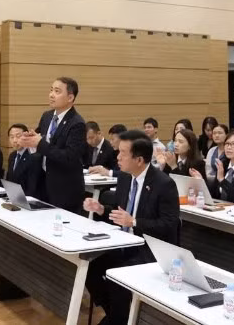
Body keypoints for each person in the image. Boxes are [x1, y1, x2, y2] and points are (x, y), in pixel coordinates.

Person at [83, 130, 179, 325]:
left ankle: (117, 319)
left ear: (139, 159)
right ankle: (118, 316)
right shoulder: (126, 177)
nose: (117, 157)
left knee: (118, 276)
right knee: (89, 266)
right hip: (124, 243)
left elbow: (169, 225)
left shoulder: (164, 184)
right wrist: (102, 209)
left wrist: (134, 222)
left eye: (123, 153)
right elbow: (121, 213)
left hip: (149, 249)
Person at [18, 77, 87, 213]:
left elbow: (69, 156)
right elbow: (40, 138)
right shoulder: (47, 116)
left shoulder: (77, 123)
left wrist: (40, 143)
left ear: (70, 98)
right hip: (43, 181)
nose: (51, 95)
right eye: (51, 90)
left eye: (57, 91)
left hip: (64, 187)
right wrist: (29, 138)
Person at [6, 124, 44, 199]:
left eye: (18, 136)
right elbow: (9, 180)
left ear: (26, 136)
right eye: (12, 137)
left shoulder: (34, 156)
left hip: (29, 200)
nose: (14, 140)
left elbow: (33, 188)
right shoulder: (12, 156)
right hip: (14, 198)